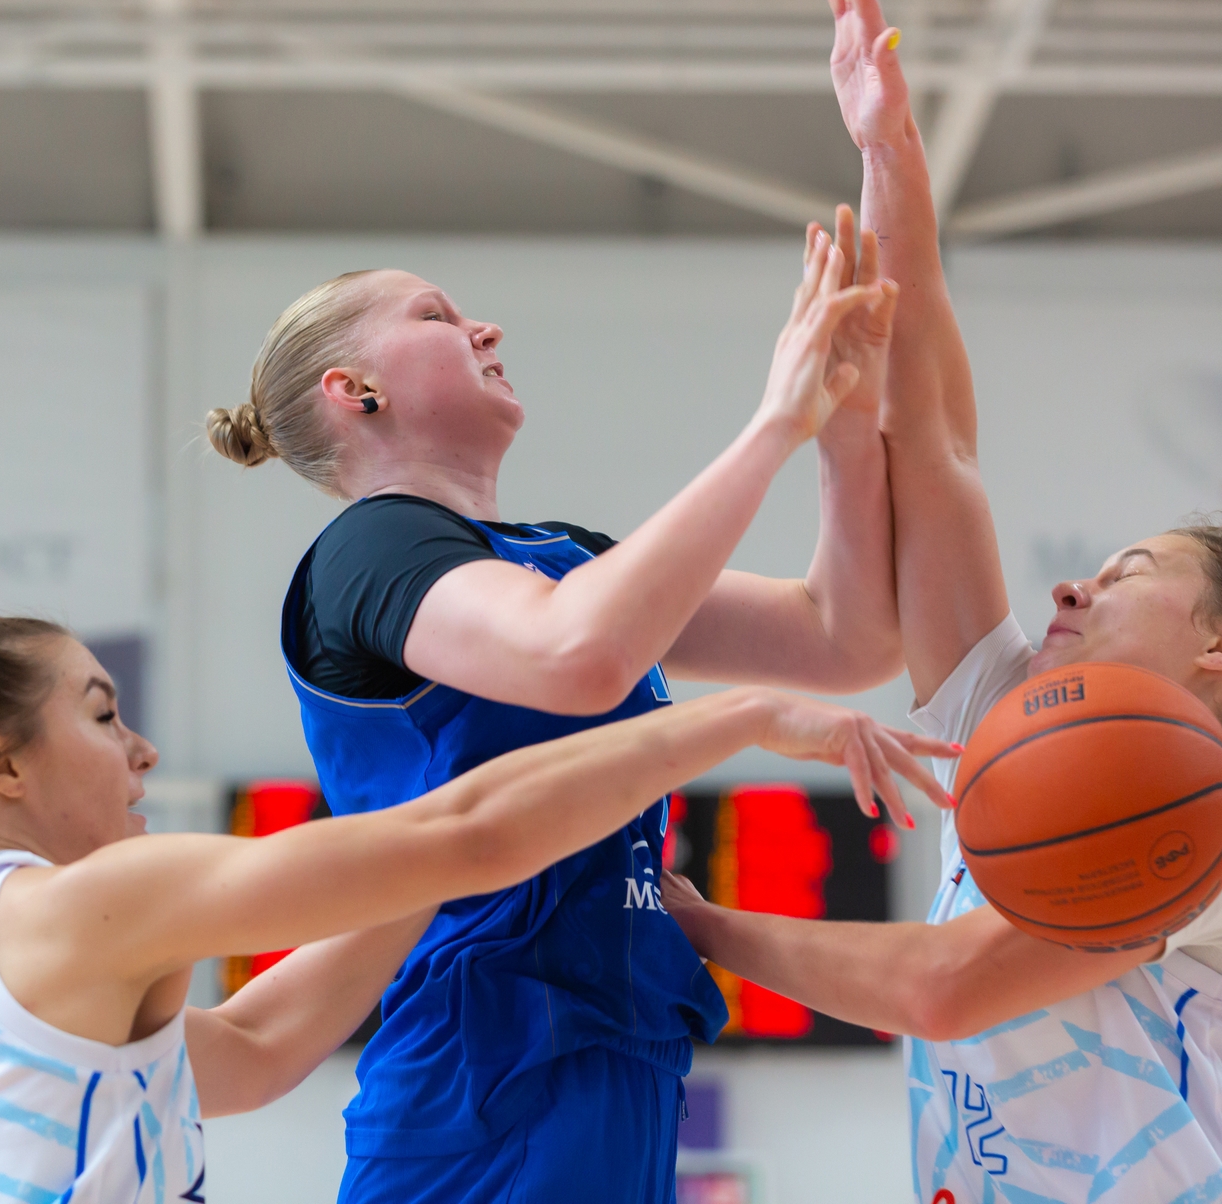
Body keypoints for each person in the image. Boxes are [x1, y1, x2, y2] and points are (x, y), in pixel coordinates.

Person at [0, 411, 957, 1203]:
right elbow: (463, 837)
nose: (140, 748)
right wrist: (736, 719)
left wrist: (430, 856)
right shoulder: (79, 909)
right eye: (100, 715)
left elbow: (261, 1042)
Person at [658, 0, 1222, 1203]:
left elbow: (946, 986)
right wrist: (889, 152)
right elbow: (931, 437)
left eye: (1129, 571)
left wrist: (696, 921)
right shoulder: (1011, 722)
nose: (1072, 587)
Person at [208, 215, 948, 1201]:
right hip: (488, 1070)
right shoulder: (369, 547)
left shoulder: (562, 557)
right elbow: (576, 653)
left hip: (624, 1047)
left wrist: (842, 421)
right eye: (436, 315)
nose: (485, 329)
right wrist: (774, 422)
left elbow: (841, 637)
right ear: (355, 391)